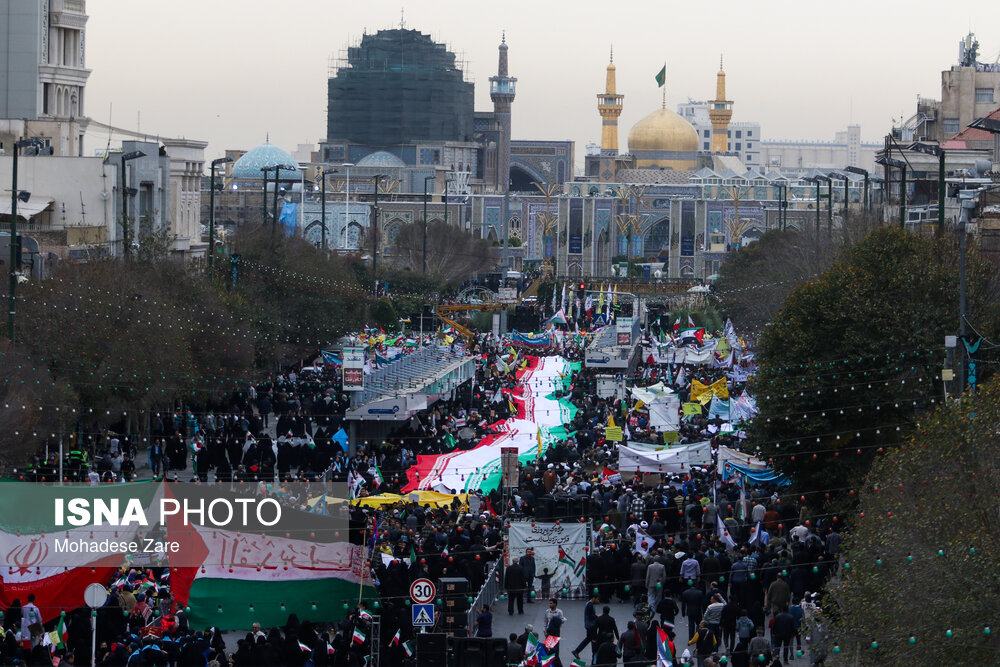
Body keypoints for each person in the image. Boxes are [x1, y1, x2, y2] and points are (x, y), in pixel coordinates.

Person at [572, 593, 600, 660]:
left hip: (589, 625)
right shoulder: (590, 605)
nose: (598, 600)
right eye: (597, 599)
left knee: (588, 639)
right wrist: (597, 617)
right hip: (591, 626)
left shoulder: (589, 604)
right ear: (594, 598)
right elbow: (591, 616)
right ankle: (594, 654)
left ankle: (576, 651)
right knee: (594, 640)